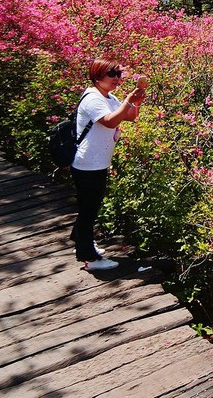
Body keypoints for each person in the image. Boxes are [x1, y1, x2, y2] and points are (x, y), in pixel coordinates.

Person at [71, 58, 146, 271]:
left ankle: (81, 240)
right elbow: (110, 121)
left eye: (118, 74)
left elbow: (130, 117)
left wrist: (135, 101)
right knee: (89, 210)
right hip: (88, 163)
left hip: (98, 161)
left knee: (90, 206)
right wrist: (127, 100)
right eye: (111, 74)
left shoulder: (108, 96)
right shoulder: (92, 98)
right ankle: (89, 259)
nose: (117, 78)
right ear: (97, 76)